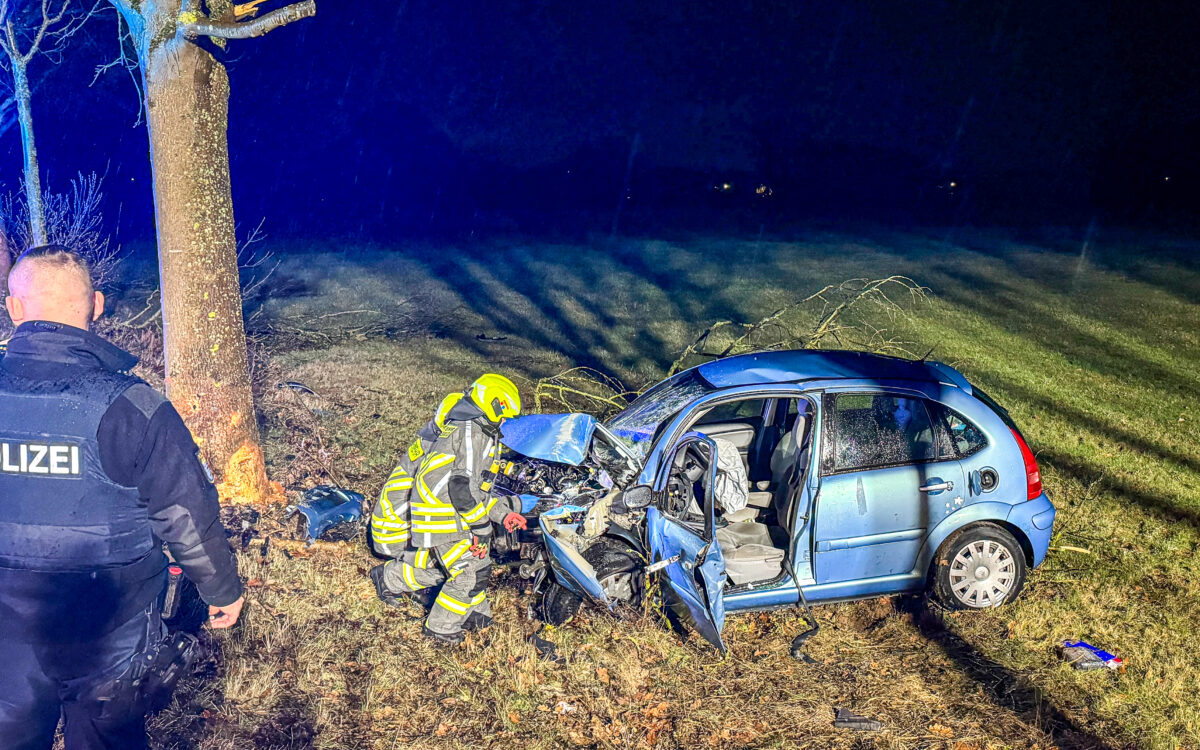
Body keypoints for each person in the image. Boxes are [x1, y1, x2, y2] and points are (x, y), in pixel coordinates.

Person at [0, 245, 244, 750]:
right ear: (97, 306)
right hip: (109, 629)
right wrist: (222, 590)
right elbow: (184, 513)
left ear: (14, 308)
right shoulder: (134, 406)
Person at [374, 373, 528, 644]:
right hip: (442, 516)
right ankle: (441, 628)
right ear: (494, 405)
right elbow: (460, 488)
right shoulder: (470, 432)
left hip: (449, 513)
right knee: (466, 573)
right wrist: (481, 528)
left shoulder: (476, 431)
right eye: (505, 415)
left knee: (477, 566)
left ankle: (472, 612)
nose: (505, 422)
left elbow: (476, 491)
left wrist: (503, 514)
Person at [368, 392, 461, 584]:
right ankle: (389, 578)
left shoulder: (430, 444)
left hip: (390, 525)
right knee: (455, 566)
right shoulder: (440, 458)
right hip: (397, 536)